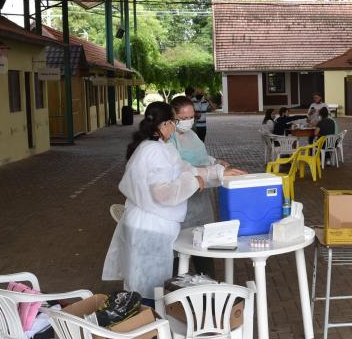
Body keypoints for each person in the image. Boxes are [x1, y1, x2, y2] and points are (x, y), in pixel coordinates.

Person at [102, 102, 225, 303]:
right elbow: (163, 193)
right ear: (166, 123)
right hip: (151, 227)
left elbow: (184, 168)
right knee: (150, 289)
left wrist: (217, 172)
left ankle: (149, 325)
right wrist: (194, 182)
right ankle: (152, 328)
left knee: (143, 285)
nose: (176, 126)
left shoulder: (155, 146)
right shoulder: (155, 150)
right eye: (175, 122)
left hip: (147, 223)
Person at [169, 95, 247, 277]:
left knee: (204, 244)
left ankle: (207, 286)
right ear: (173, 117)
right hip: (182, 201)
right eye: (183, 118)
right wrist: (216, 172)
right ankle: (178, 289)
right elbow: (182, 169)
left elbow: (202, 157)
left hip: (201, 201)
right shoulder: (169, 140)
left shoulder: (193, 135)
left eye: (191, 117)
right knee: (180, 249)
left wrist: (216, 161)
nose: (188, 121)